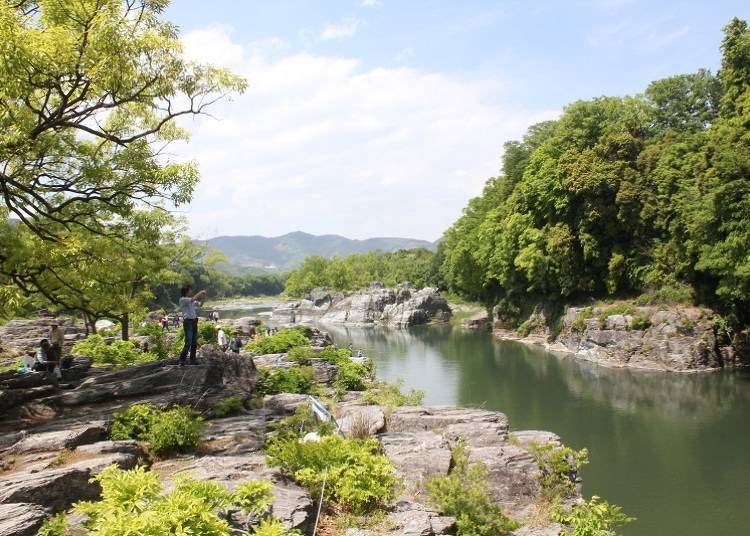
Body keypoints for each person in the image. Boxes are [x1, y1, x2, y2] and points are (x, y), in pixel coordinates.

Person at [178, 284, 206, 366]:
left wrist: (203, 296)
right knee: (188, 342)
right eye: (190, 290)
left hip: (194, 322)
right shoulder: (183, 299)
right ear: (186, 291)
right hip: (188, 322)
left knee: (194, 343)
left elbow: (201, 304)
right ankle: (181, 361)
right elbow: (193, 298)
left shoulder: (191, 301)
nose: (192, 291)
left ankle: (192, 361)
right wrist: (200, 292)